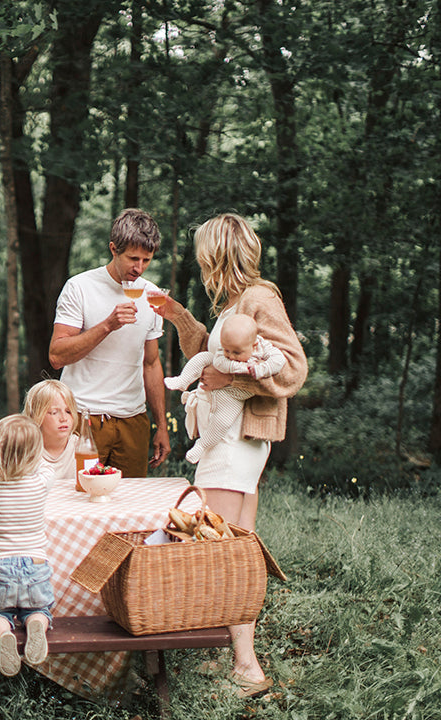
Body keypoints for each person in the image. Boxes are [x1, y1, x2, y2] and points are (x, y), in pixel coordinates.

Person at [155, 213, 307, 698]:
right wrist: (178, 315)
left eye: (204, 255)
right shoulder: (236, 304)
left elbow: (292, 367)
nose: (200, 264)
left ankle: (245, 665)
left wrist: (233, 379)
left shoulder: (260, 299)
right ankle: (232, 655)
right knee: (234, 548)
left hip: (236, 441)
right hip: (228, 440)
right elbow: (211, 353)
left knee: (219, 548)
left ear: (217, 256)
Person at [48, 208, 171, 479]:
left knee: (130, 501)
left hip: (133, 419)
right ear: (114, 249)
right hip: (84, 415)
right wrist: (107, 326)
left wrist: (161, 426)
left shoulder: (152, 295)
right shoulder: (80, 287)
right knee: (78, 496)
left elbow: (151, 364)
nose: (139, 268)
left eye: (147, 260)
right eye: (133, 258)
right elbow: (56, 356)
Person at [0, 415, 55, 677]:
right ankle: (35, 623)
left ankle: (4, 634)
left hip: (0, 564)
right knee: (39, 609)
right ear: (34, 453)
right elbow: (47, 468)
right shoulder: (40, 483)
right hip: (36, 563)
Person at [164, 313, 287, 463]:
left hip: (236, 395)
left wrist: (263, 369)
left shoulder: (263, 347)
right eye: (227, 351)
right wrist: (241, 367)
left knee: (223, 421)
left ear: (254, 345)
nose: (231, 356)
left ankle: (202, 445)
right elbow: (219, 362)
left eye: (236, 352)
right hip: (220, 377)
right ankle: (183, 380)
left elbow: (279, 361)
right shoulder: (227, 350)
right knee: (204, 357)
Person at [22, 379, 81, 484]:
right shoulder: (26, 450)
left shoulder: (80, 447)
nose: (64, 418)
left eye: (68, 411)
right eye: (54, 412)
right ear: (36, 416)